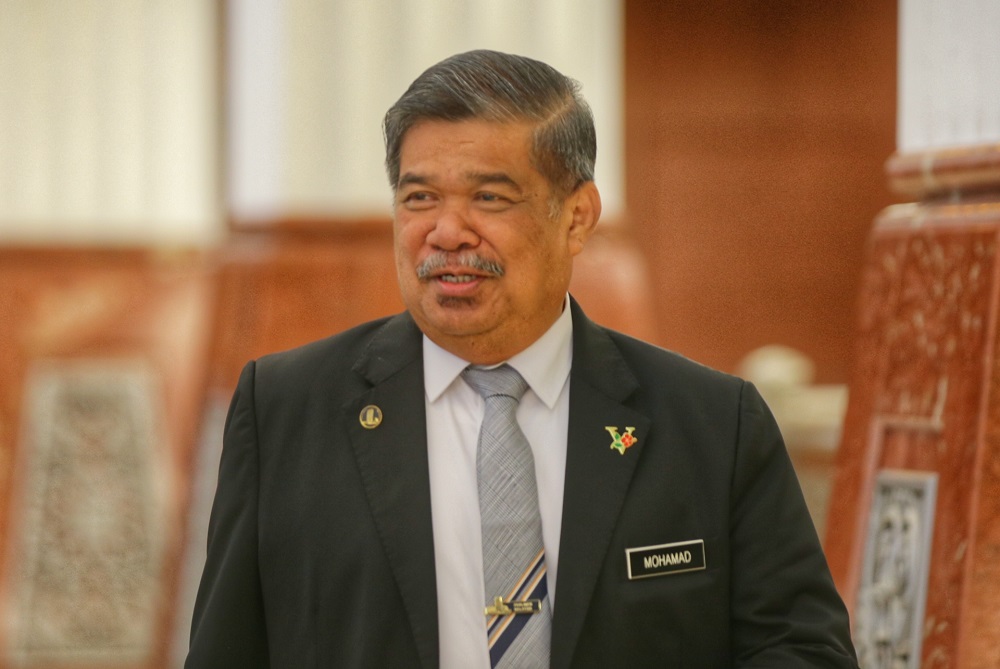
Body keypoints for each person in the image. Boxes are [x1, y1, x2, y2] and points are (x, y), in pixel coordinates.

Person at [186, 49, 858, 668]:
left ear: (576, 217)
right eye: (420, 197)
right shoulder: (284, 410)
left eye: (489, 197)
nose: (446, 232)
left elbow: (801, 650)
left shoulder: (714, 425)